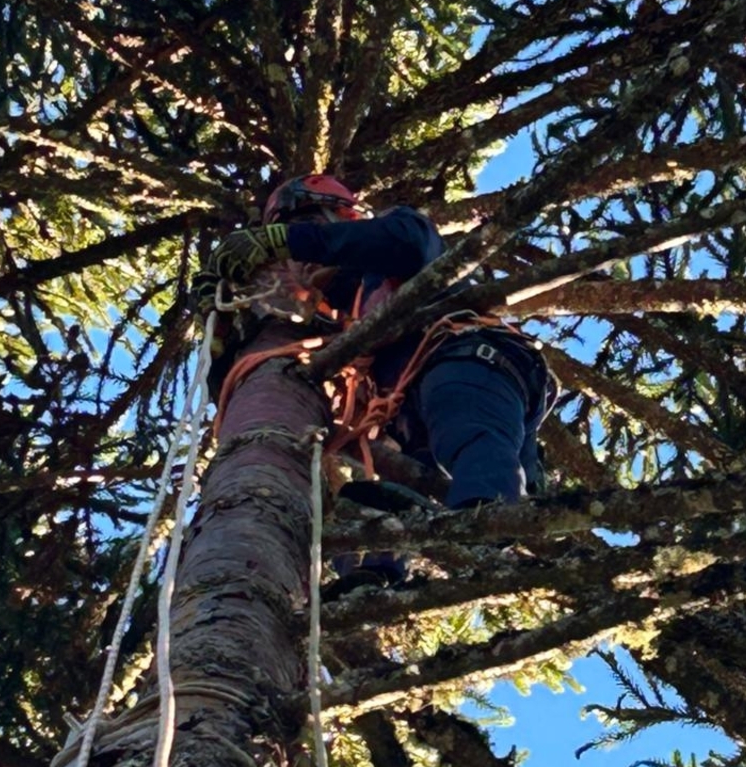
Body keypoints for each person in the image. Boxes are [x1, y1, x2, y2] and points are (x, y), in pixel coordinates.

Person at [192, 174, 556, 593]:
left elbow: (408, 242)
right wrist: (222, 326)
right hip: (416, 411)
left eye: (305, 228)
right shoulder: (339, 318)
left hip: (465, 359)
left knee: (464, 427)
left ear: (342, 216)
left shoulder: (395, 238)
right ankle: (374, 577)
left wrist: (287, 239)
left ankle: (486, 523)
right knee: (367, 502)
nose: (298, 262)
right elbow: (252, 390)